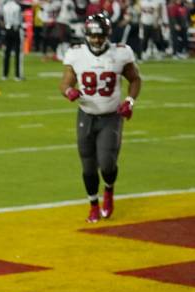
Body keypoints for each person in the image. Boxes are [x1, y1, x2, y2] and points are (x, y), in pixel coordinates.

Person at [60, 13, 141, 223]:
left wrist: (130, 101)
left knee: (106, 164)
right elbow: (65, 83)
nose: (96, 40)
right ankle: (93, 205)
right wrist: (69, 91)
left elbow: (135, 79)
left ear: (107, 34)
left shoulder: (121, 53)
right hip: (86, 115)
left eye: (100, 36)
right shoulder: (76, 54)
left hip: (111, 116)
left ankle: (109, 190)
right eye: (93, 36)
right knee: (88, 166)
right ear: (86, 34)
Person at [0, 0, 23, 78]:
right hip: (15, 29)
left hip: (7, 29)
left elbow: (3, 18)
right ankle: (17, 75)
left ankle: (5, 74)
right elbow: (18, 20)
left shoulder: (5, 6)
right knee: (18, 53)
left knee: (7, 52)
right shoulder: (17, 6)